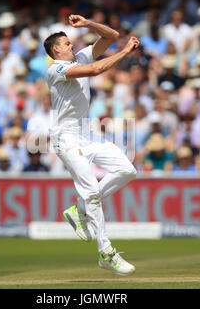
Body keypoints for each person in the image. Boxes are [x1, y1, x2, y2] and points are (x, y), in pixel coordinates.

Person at [44, 14, 139, 276]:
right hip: (66, 137)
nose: (72, 45)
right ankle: (106, 253)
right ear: (56, 50)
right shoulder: (56, 70)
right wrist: (124, 54)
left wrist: (87, 24)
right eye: (66, 43)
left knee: (128, 170)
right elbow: (97, 70)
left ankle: (79, 211)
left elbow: (111, 36)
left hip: (87, 133)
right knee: (92, 193)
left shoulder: (80, 56)